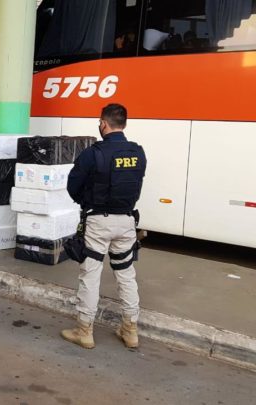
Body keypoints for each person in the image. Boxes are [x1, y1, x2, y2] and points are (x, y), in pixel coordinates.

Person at [61, 103, 147, 349]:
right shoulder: (138, 152)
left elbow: (72, 186)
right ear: (124, 124)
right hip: (127, 222)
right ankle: (130, 330)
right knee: (126, 275)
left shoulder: (93, 153)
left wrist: (86, 203)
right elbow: (136, 185)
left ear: (103, 123)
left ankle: (84, 331)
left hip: (98, 221)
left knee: (91, 274)